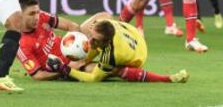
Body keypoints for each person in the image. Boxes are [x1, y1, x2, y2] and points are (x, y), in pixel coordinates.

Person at [46, 13, 189, 83]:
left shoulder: (111, 55)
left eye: (95, 40)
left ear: (106, 43)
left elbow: (94, 79)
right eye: (92, 36)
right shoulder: (100, 25)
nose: (90, 40)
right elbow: (102, 20)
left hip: (138, 53)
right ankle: (70, 61)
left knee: (112, 70)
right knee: (104, 16)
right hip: (133, 34)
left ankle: (167, 79)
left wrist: (66, 70)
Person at [16, 0, 81, 81]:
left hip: (73, 50)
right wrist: (63, 71)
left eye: (37, 12)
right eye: (31, 14)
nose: (36, 17)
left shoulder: (42, 16)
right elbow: (38, 75)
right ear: (20, 15)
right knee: (95, 70)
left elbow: (72, 26)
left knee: (101, 17)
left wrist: (78, 48)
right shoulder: (21, 44)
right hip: (66, 65)